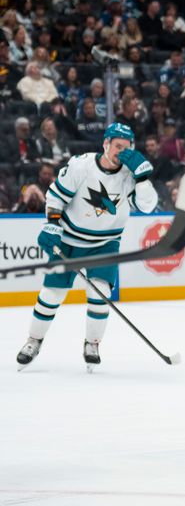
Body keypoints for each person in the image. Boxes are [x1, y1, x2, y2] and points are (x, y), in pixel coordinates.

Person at [16, 123, 158, 372]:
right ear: (105, 144)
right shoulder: (81, 165)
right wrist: (52, 224)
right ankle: (33, 341)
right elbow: (56, 196)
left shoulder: (129, 176)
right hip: (69, 240)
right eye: (117, 146)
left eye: (126, 148)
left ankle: (92, 344)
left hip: (104, 244)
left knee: (100, 295)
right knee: (51, 295)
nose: (121, 152)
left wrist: (143, 178)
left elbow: (147, 206)